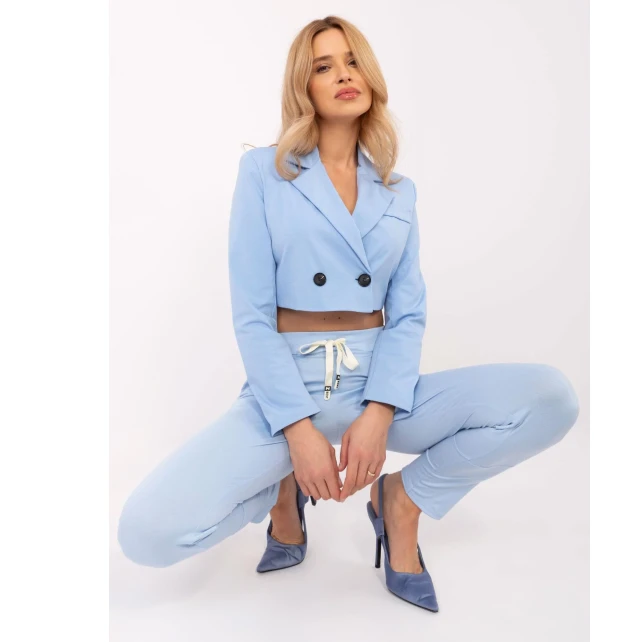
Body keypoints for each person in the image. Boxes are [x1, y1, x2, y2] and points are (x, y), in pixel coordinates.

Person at [117, 16, 580, 613]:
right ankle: (280, 491)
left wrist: (381, 409)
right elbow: (252, 314)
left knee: (550, 398)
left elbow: (407, 313)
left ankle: (401, 503)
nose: (343, 74)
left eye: (353, 60)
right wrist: (296, 430)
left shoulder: (398, 190)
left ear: (371, 76)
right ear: (303, 86)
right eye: (323, 66)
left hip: (376, 380)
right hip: (286, 385)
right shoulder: (265, 172)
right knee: (145, 534)